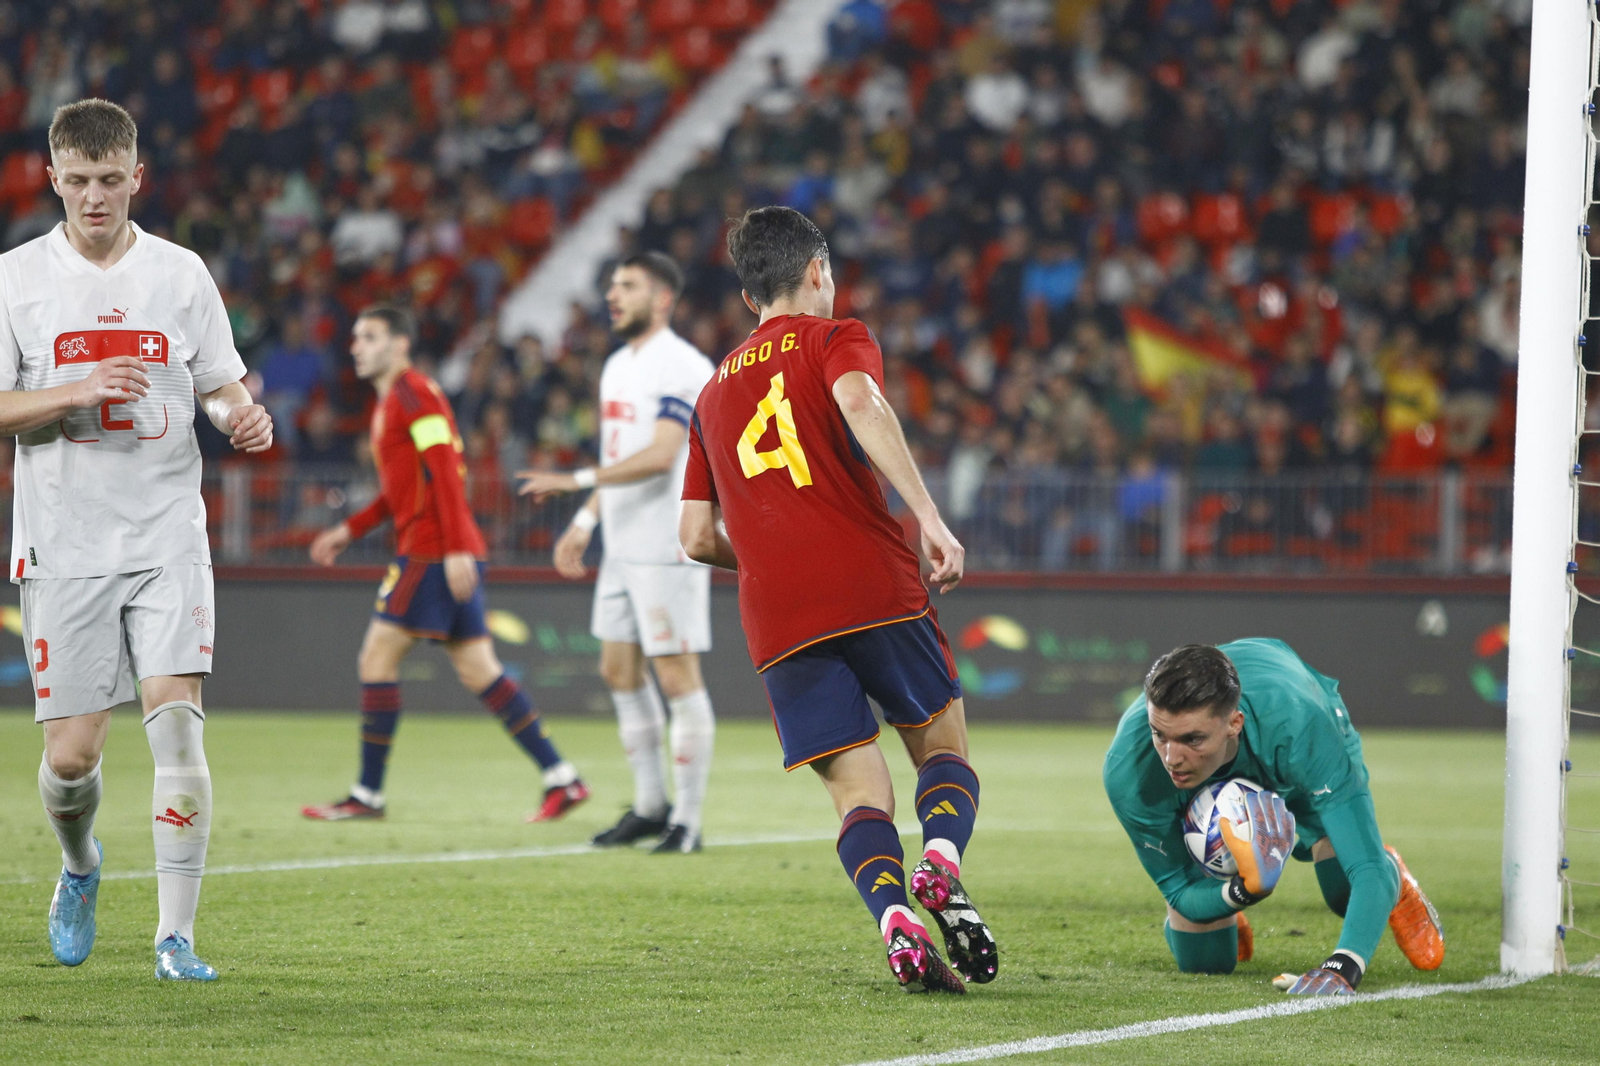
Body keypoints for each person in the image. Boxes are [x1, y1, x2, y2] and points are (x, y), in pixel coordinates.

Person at [678, 206, 995, 993]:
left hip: (776, 615)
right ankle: (942, 862)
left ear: (751, 299)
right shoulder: (835, 337)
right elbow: (861, 404)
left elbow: (691, 536)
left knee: (859, 794)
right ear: (818, 271)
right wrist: (928, 515)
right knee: (943, 750)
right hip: (871, 583)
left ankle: (893, 917)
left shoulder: (711, 394)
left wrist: (771, 556)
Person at [0, 99, 275, 981]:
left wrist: (241, 416)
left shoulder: (181, 274)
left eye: (110, 180)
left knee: (177, 728)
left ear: (136, 178)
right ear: (52, 179)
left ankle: (175, 938)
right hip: (66, 541)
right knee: (72, 758)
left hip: (166, 532)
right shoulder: (15, 280)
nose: (93, 197)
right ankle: (80, 866)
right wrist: (72, 392)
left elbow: (220, 384)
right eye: (77, 181)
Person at [301, 306, 588, 824]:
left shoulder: (414, 393)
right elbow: (400, 490)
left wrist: (455, 545)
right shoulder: (393, 400)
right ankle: (562, 778)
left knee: (375, 660)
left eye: (369, 336)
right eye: (355, 337)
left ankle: (367, 794)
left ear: (400, 345)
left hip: (432, 550)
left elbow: (445, 472)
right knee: (480, 669)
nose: (356, 346)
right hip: (441, 545)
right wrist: (350, 529)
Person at [1102, 640, 1446, 994]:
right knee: (1205, 963)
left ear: (1234, 724)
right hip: (1254, 749)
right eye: (1160, 734)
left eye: (1192, 739)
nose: (1171, 758)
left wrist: (1345, 965)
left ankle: (1396, 875)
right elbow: (1180, 890)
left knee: (1345, 890)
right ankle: (1227, 893)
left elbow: (1366, 869)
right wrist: (1242, 890)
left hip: (1290, 746)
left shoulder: (1302, 725)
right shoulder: (1130, 771)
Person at [519, 252, 717, 854]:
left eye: (627, 286)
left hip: (667, 544)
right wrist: (585, 520)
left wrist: (573, 484)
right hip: (621, 545)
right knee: (616, 670)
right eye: (611, 285)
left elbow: (660, 455)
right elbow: (619, 454)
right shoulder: (614, 367)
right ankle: (652, 806)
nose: (613, 295)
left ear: (663, 298)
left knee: (677, 676)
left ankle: (687, 819)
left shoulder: (684, 365)